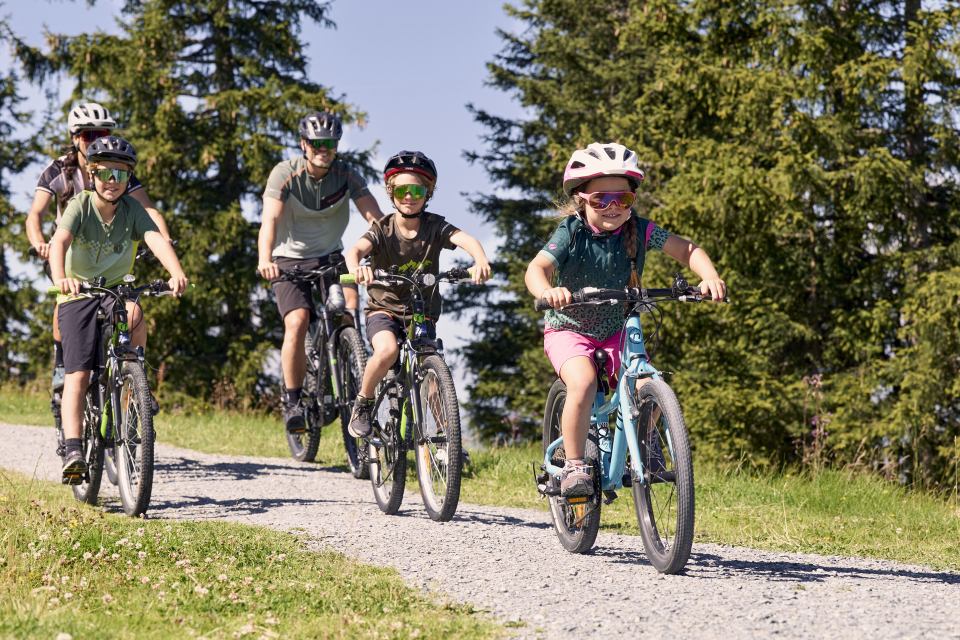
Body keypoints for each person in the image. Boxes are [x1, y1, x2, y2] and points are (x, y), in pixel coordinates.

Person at [524, 142, 726, 497]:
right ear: (581, 200)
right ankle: (574, 465)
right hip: (569, 329)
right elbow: (536, 268)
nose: (613, 207)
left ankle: (645, 448)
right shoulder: (571, 232)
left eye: (623, 200)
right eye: (601, 199)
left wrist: (708, 276)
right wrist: (546, 291)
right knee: (584, 384)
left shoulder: (642, 231)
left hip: (617, 328)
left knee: (645, 382)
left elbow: (687, 250)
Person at [48, 136, 188, 478]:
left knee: (136, 311)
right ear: (92, 174)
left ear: (129, 179)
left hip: (114, 291)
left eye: (122, 175)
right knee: (77, 375)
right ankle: (74, 448)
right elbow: (59, 242)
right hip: (78, 294)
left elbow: (155, 239)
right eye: (106, 174)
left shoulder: (132, 210)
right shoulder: (79, 205)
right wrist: (60, 278)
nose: (113, 182)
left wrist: (176, 272)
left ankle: (134, 377)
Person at [25, 102, 171, 392]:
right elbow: (35, 215)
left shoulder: (117, 167)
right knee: (64, 297)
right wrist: (39, 242)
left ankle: (129, 374)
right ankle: (61, 361)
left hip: (106, 248)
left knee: (127, 306)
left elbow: (149, 210)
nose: (95, 138)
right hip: (65, 250)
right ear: (75, 138)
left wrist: (163, 239)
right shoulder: (57, 170)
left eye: (101, 133)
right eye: (88, 134)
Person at [344, 150, 491, 438]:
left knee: (433, 373)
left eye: (417, 190)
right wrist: (356, 269)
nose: (409, 196)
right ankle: (364, 401)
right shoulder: (382, 229)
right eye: (402, 189)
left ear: (428, 193)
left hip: (420, 312)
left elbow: (466, 240)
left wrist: (480, 261)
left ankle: (448, 442)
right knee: (386, 351)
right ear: (391, 192)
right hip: (383, 309)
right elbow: (356, 251)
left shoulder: (434, 226)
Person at [257, 111, 384, 433]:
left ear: (337, 145)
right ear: (305, 144)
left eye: (329, 143)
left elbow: (376, 220)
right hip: (288, 261)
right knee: (298, 321)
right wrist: (265, 258)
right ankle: (294, 400)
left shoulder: (347, 175)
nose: (322, 148)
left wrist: (386, 253)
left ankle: (350, 364)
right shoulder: (285, 173)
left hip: (332, 260)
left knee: (348, 310)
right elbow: (270, 220)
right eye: (316, 143)